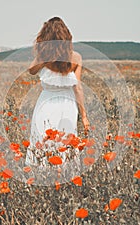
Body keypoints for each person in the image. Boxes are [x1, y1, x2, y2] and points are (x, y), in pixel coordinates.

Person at [25, 16, 89, 167]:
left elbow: (31, 71)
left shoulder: (43, 57)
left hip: (45, 104)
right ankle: (65, 175)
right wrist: (84, 116)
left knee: (42, 139)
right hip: (67, 105)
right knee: (66, 141)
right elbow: (77, 88)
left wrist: (45, 54)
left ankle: (42, 174)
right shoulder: (76, 57)